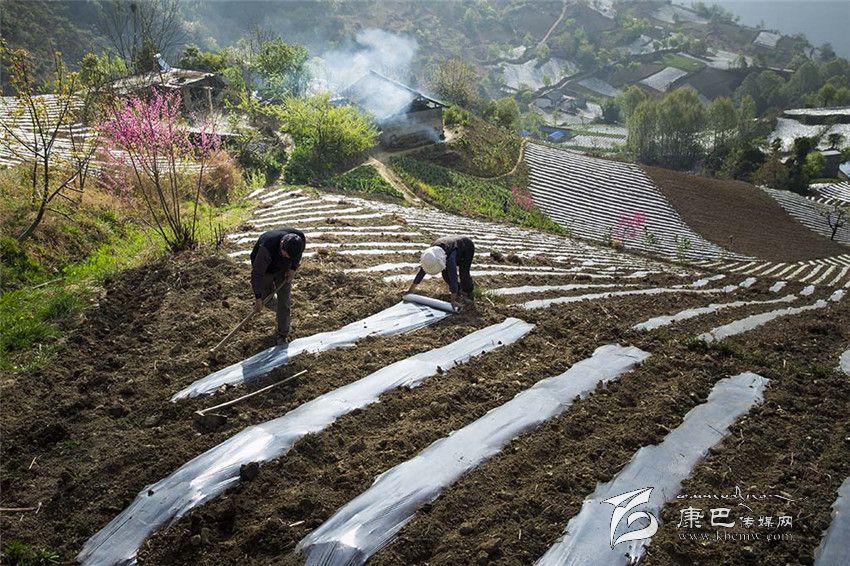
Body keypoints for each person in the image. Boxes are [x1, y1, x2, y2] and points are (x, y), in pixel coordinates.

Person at [250, 228, 306, 345]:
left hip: (284, 269)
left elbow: (298, 255)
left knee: (284, 301)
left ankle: (283, 333)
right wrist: (258, 298)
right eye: (286, 254)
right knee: (267, 300)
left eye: (290, 256)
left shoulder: (299, 239)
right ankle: (282, 313)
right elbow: (257, 274)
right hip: (266, 270)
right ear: (282, 245)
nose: (287, 257)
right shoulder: (266, 248)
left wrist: (293, 268)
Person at [407, 236, 475, 310]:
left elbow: (453, 277)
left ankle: (467, 293)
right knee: (445, 275)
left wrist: (453, 301)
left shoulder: (450, 259)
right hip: (450, 250)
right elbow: (422, 271)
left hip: (466, 247)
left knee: (464, 273)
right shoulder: (431, 254)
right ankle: (458, 291)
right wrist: (410, 291)